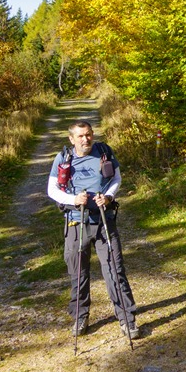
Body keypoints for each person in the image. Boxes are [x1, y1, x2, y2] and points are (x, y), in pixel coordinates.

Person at [47, 120, 139, 339]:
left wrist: (108, 197)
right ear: (71, 139)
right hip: (75, 222)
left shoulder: (104, 152)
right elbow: (52, 189)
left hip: (104, 220)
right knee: (78, 273)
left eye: (88, 134)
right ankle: (80, 317)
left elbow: (116, 178)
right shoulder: (63, 158)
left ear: (93, 134)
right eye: (80, 136)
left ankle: (127, 319)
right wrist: (73, 199)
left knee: (115, 270)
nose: (85, 139)